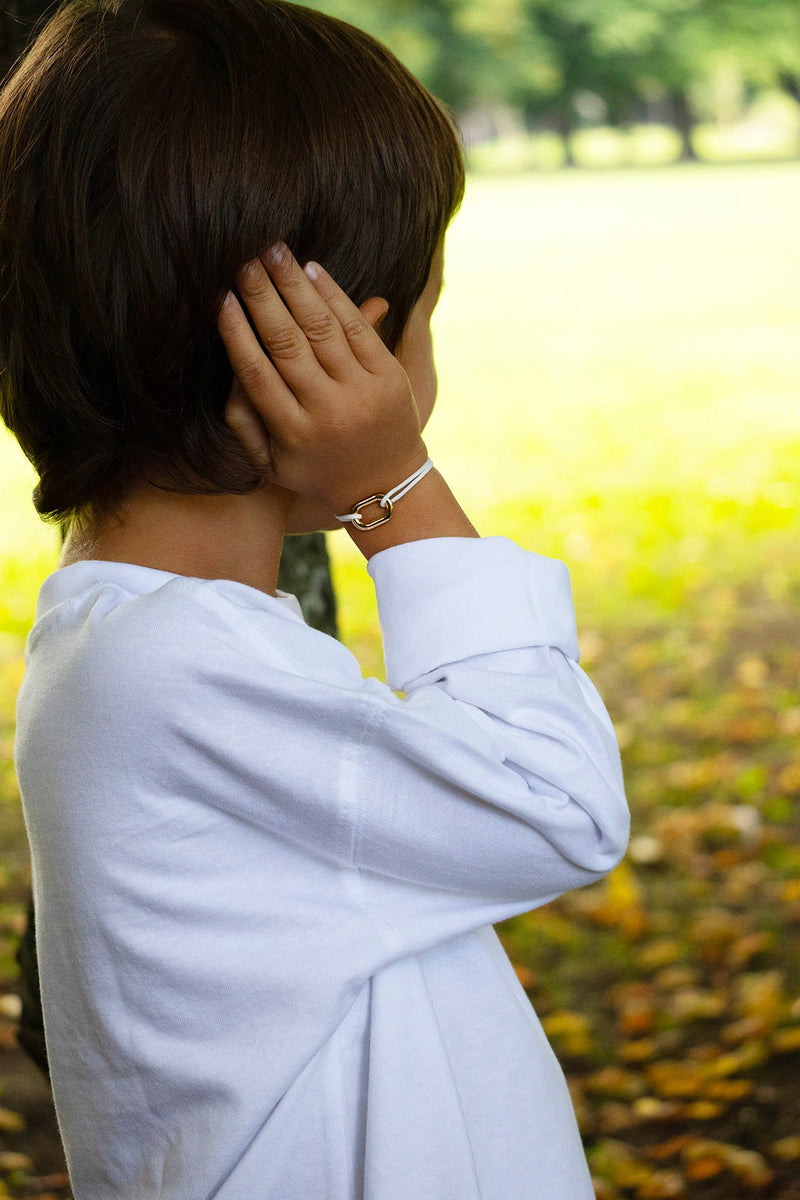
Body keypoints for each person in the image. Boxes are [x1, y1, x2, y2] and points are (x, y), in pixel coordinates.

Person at [0, 0, 630, 1196]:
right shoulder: (174, 669)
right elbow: (557, 803)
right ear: (336, 350)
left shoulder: (145, 642)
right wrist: (393, 488)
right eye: (431, 309)